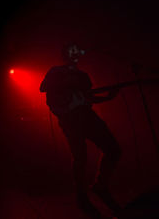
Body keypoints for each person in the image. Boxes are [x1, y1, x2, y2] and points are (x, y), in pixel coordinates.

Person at [40, 43, 122, 218]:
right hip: (70, 118)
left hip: (86, 114)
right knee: (80, 156)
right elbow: (43, 87)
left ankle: (100, 186)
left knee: (113, 149)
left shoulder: (83, 75)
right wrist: (65, 82)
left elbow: (87, 97)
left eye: (76, 52)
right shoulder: (56, 71)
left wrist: (107, 98)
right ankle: (82, 196)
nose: (74, 55)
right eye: (71, 52)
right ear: (65, 55)